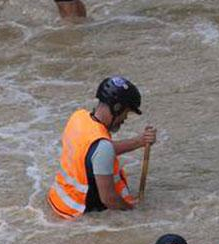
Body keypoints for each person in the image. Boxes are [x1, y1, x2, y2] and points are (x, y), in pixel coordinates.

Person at [46, 76, 156, 220]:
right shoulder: (102, 147)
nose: (125, 119)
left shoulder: (79, 117)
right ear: (117, 108)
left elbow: (95, 153)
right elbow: (109, 199)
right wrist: (134, 210)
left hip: (59, 202)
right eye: (126, 113)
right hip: (77, 217)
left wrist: (139, 141)